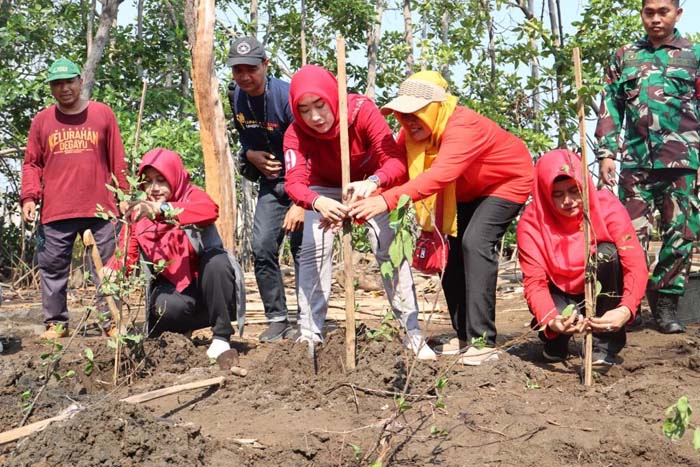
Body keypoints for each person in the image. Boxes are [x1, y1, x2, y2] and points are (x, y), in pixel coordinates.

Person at [350, 71, 533, 365]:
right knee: (450, 252)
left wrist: (384, 201)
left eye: (416, 113)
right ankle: (463, 336)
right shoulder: (411, 135)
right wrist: (369, 190)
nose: (408, 120)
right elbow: (398, 169)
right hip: (464, 190)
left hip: (505, 182)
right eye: (401, 113)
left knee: (476, 243)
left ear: (436, 107)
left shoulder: (462, 125)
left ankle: (483, 342)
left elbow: (439, 175)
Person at [284, 64, 436, 360]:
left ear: (332, 98)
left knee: (389, 248)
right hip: (323, 191)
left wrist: (372, 183)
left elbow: (394, 162)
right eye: (304, 109)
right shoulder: (295, 134)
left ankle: (412, 331)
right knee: (314, 250)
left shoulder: (361, 111)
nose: (315, 117)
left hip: (370, 185)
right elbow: (294, 183)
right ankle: (310, 334)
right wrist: (317, 203)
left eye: (320, 105)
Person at [595, 0, 700, 334]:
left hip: (683, 160)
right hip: (637, 163)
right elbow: (610, 103)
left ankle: (666, 300)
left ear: (677, 14)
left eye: (663, 12)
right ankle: (631, 305)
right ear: (642, 14)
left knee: (682, 234)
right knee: (629, 237)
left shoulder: (693, 56)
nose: (656, 18)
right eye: (649, 12)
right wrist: (607, 153)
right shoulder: (625, 56)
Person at [20, 57, 128, 339]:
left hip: (101, 208)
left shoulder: (103, 114)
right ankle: (56, 323)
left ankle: (111, 322)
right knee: (53, 268)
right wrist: (29, 197)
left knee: (107, 269)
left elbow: (118, 158)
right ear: (51, 88)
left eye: (69, 81)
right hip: (57, 209)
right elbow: (32, 163)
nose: (64, 88)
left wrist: (124, 196)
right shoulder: (42, 121)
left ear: (80, 82)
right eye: (57, 84)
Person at [104, 148, 240, 360]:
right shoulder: (139, 214)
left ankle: (221, 336)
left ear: (174, 176)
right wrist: (113, 271)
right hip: (175, 290)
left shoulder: (190, 195)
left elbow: (210, 210)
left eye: (161, 179)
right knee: (164, 307)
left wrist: (161, 209)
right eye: (148, 182)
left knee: (217, 262)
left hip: (209, 289)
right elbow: (126, 256)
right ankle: (180, 330)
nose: (154, 188)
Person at [517, 150, 649, 365]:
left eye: (574, 190)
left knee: (608, 254)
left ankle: (603, 345)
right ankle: (556, 342)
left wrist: (626, 309)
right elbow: (534, 283)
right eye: (557, 194)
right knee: (556, 327)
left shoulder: (607, 206)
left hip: (600, 287)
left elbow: (634, 263)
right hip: (558, 291)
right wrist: (551, 319)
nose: (568, 201)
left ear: (584, 185)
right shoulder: (532, 222)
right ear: (544, 194)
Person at [227, 36, 303, 342]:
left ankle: (310, 318)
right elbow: (245, 138)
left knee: (303, 250)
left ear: (265, 65)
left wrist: (303, 201)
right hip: (272, 184)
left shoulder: (287, 97)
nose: (245, 76)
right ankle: (277, 318)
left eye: (251, 69)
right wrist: (249, 155)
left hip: (304, 182)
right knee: (261, 247)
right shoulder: (237, 97)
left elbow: (310, 149)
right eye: (238, 70)